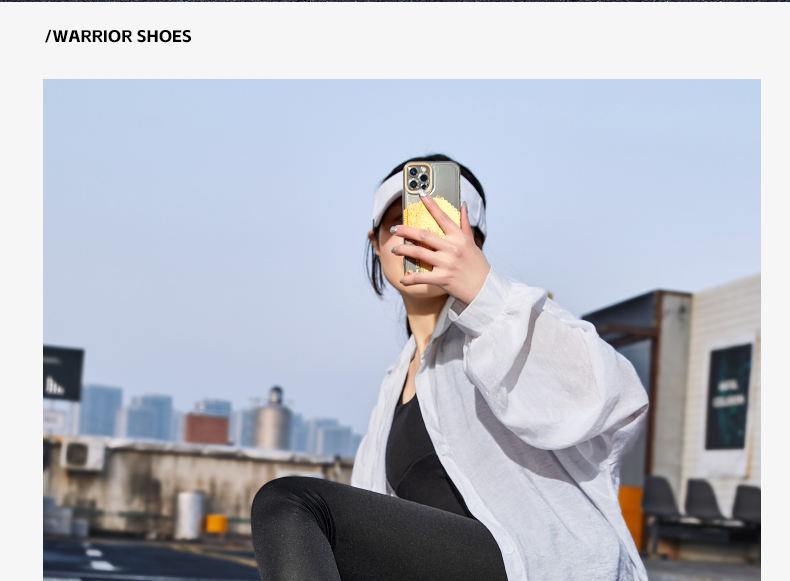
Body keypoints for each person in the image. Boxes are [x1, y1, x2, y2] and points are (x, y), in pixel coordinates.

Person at [250, 154, 650, 581]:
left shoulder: (509, 322)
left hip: (543, 568)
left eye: (437, 224)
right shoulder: (392, 388)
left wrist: (483, 291)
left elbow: (610, 400)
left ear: (473, 241)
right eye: (398, 225)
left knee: (289, 503)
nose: (416, 237)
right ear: (376, 244)